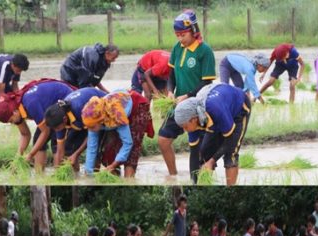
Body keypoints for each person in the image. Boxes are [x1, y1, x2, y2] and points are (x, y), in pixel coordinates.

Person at [157, 10, 216, 176]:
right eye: (177, 35)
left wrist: (187, 95)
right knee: (163, 141)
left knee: (200, 148)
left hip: (199, 105)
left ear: (193, 31)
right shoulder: (177, 48)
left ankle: (203, 180)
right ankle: (173, 176)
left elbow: (207, 81)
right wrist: (170, 91)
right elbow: (171, 75)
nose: (180, 39)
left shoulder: (204, 51)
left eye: (183, 34)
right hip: (178, 104)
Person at [174, 83, 252, 185]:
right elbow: (194, 153)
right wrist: (193, 183)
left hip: (239, 109)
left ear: (193, 119)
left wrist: (212, 161)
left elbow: (230, 139)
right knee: (204, 154)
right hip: (217, 111)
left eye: (185, 127)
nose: (185, 130)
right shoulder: (192, 122)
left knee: (231, 155)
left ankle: (231, 192)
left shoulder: (215, 109)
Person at [0, 79, 74, 172]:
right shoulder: (16, 108)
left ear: (15, 112)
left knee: (56, 142)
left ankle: (59, 175)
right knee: (37, 140)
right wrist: (17, 159)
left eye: (11, 120)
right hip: (49, 109)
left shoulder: (30, 104)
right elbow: (25, 134)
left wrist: (31, 154)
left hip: (64, 100)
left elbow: (45, 131)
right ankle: (39, 176)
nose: (12, 123)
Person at [80, 89, 154, 178]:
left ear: (100, 120)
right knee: (109, 150)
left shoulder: (116, 115)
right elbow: (92, 147)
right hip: (116, 105)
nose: (90, 129)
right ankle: (115, 176)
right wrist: (88, 172)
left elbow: (127, 143)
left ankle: (129, 180)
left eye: (92, 127)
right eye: (88, 127)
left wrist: (113, 165)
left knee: (132, 148)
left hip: (136, 106)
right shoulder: (92, 119)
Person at [43, 87, 106, 170]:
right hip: (83, 119)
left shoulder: (79, 109)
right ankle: (77, 175)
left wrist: (76, 154)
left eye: (57, 128)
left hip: (104, 114)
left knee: (97, 150)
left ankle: (95, 175)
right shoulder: (59, 117)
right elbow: (60, 149)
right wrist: (57, 172)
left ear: (65, 119)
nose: (57, 131)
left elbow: (92, 136)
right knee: (69, 149)